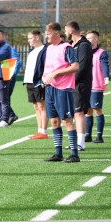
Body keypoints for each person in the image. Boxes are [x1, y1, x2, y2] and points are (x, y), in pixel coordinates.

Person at [42, 22, 79, 163]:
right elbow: (48, 68)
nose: (46, 37)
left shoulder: (67, 48)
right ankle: (58, 153)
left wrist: (57, 72)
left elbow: (75, 66)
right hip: (50, 88)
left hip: (63, 89)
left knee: (66, 120)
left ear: (57, 34)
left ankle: (74, 154)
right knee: (54, 120)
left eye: (49, 34)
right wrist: (44, 77)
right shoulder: (49, 49)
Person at [64, 21, 93, 150]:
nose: (65, 33)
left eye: (65, 30)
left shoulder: (84, 45)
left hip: (80, 84)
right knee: (72, 113)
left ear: (71, 31)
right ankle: (74, 141)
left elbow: (82, 66)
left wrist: (71, 80)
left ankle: (80, 142)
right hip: (70, 84)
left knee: (79, 112)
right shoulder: (70, 45)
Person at [85, 30, 109, 144]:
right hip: (86, 85)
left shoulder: (101, 53)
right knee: (87, 111)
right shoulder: (86, 52)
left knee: (96, 109)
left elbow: (105, 65)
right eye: (87, 38)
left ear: (96, 39)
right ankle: (87, 135)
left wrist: (106, 77)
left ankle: (99, 136)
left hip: (96, 85)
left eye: (90, 38)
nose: (88, 40)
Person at [23, 30, 49, 139]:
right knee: (36, 106)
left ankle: (44, 131)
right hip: (29, 82)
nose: (28, 40)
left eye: (30, 38)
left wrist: (43, 80)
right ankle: (39, 131)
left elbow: (47, 66)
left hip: (39, 82)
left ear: (37, 37)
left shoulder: (45, 50)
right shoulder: (32, 51)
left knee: (41, 106)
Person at [8, 46, 21, 125]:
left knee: (4, 98)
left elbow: (17, 62)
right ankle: (4, 117)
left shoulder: (9, 49)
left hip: (9, 77)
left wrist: (12, 74)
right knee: (0, 98)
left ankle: (10, 115)